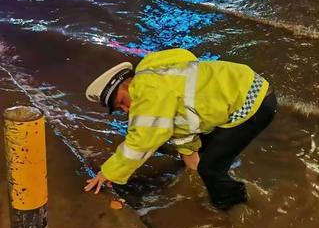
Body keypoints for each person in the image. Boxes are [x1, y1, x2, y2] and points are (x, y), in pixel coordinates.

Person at [84, 48, 277, 210]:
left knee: (210, 169)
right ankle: (213, 183)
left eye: (122, 102)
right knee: (203, 156)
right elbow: (182, 123)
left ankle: (234, 206)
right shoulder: (157, 75)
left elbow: (142, 141)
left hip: (251, 104)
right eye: (120, 109)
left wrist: (108, 172)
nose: (126, 110)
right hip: (246, 84)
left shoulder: (148, 91)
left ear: (128, 85)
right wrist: (190, 162)